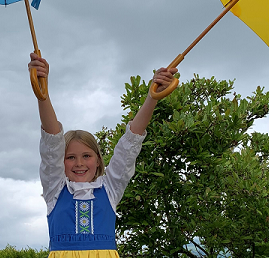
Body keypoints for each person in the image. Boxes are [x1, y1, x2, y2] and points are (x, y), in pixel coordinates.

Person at [28, 53, 178, 258]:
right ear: (60, 162)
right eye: (70, 157)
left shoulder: (110, 189)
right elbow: (52, 142)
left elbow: (130, 143)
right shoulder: (54, 188)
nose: (79, 163)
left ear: (98, 160)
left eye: (86, 156)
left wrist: (152, 97)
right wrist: (42, 92)